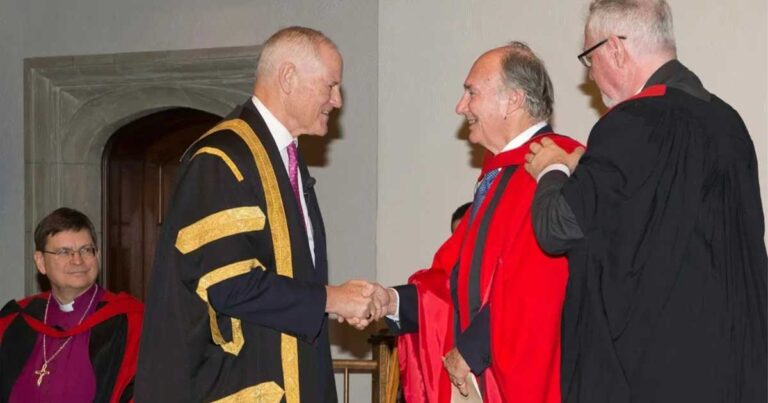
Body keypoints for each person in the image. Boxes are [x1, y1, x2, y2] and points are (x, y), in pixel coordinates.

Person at [524, 1, 767, 402]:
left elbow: (557, 228)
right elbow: (657, 214)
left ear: (615, 50)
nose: (590, 74)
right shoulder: (728, 123)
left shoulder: (631, 124)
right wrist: (588, 168)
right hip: (734, 367)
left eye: (589, 57)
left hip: (660, 372)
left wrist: (553, 170)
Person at [135, 27, 376, 402]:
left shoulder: (281, 158)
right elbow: (229, 284)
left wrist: (333, 299)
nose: (338, 100)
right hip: (238, 383)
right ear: (288, 77)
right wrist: (330, 299)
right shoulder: (224, 158)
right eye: (330, 85)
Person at [365, 42, 582, 403]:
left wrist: (473, 348)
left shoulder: (556, 166)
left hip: (528, 380)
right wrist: (393, 301)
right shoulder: (498, 173)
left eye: (471, 93)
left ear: (512, 100)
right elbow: (456, 277)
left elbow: (540, 280)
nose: (460, 106)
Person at [0, 207, 144, 403]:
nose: (77, 260)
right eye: (64, 252)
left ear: (98, 256)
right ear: (41, 262)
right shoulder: (15, 320)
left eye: (86, 250)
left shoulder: (130, 322)